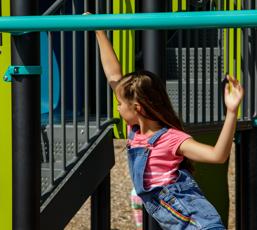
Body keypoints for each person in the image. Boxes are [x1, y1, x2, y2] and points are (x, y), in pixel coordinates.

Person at [95, 29, 244, 229]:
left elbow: (217, 155)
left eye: (119, 103)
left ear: (137, 108)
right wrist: (99, 32)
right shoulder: (136, 130)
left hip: (199, 223)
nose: (117, 107)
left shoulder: (171, 139)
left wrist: (232, 111)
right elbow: (114, 75)